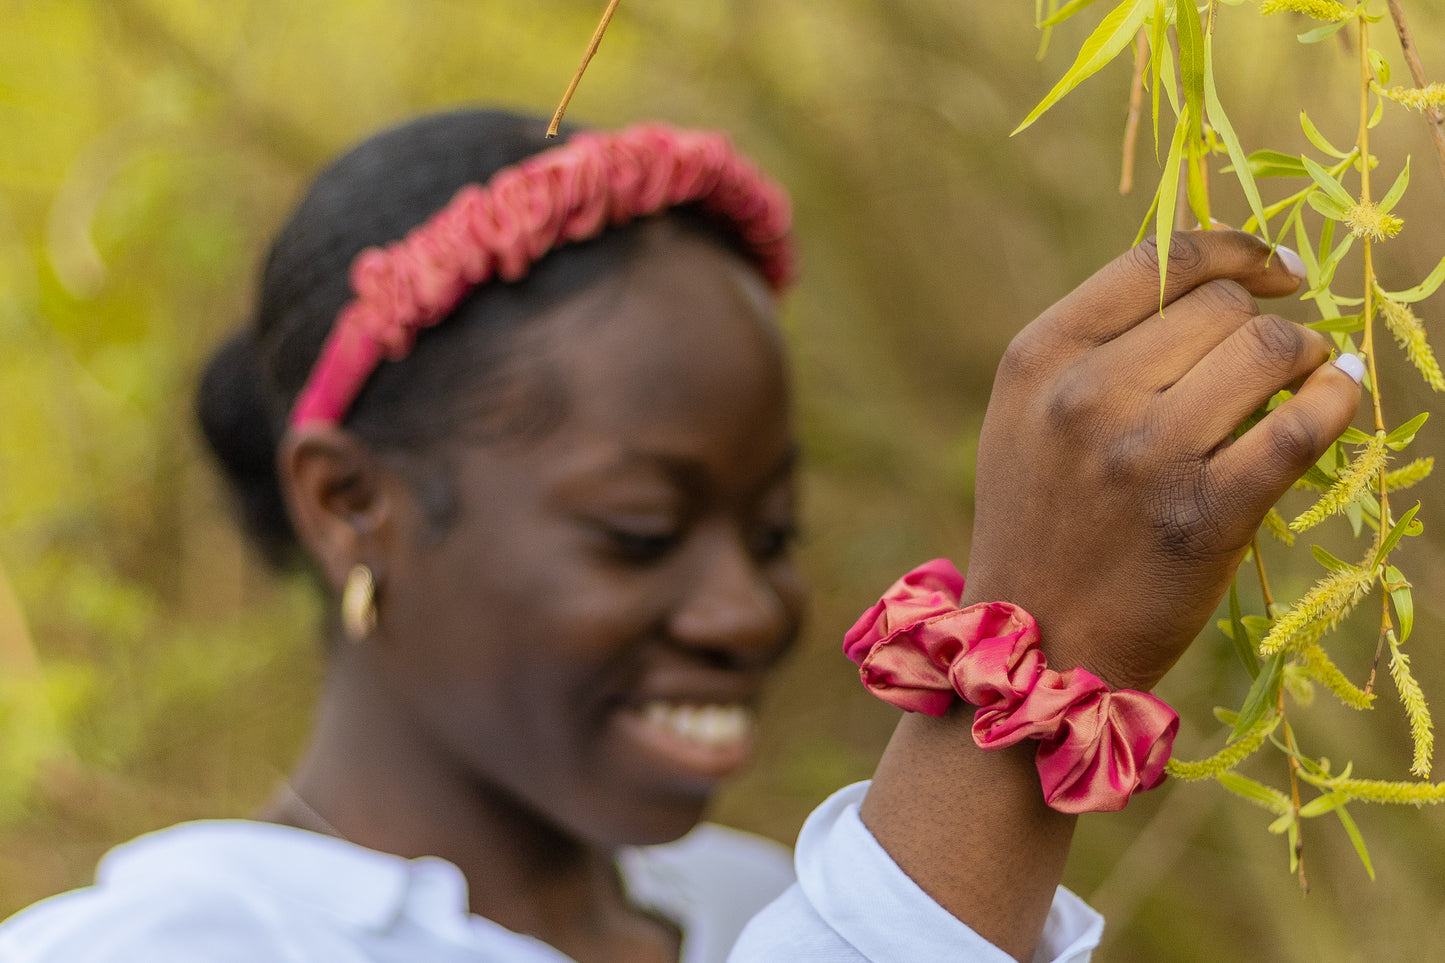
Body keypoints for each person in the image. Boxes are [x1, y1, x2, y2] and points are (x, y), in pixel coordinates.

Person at [0, 107, 1363, 963]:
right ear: (352, 504)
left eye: (769, 529)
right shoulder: (163, 943)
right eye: (639, 530)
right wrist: (1027, 656)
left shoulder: (742, 903)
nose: (744, 611)